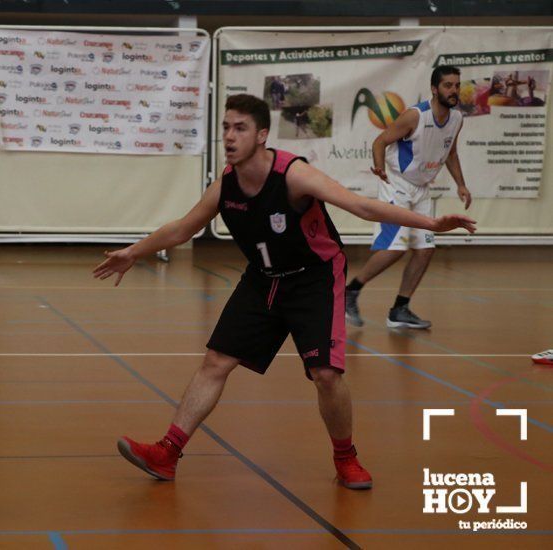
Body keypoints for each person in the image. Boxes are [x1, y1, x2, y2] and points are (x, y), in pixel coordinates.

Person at [93, 94, 475, 490]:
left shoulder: (293, 174)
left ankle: (346, 457)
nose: (229, 136)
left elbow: (362, 207)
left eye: (239, 128)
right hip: (263, 278)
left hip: (315, 278)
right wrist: (134, 252)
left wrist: (431, 222)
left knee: (325, 375)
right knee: (216, 361)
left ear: (261, 135)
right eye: (225, 127)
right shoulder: (225, 185)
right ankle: (167, 453)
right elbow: (183, 228)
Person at [345, 66, 472, 329]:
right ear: (435, 89)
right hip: (397, 185)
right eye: (448, 85)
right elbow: (380, 141)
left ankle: (399, 309)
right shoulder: (415, 116)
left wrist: (461, 184)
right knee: (395, 249)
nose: (454, 90)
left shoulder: (457, 118)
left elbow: (451, 153)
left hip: (422, 189)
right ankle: (351, 291)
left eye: (457, 85)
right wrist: (379, 169)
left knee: (425, 250)